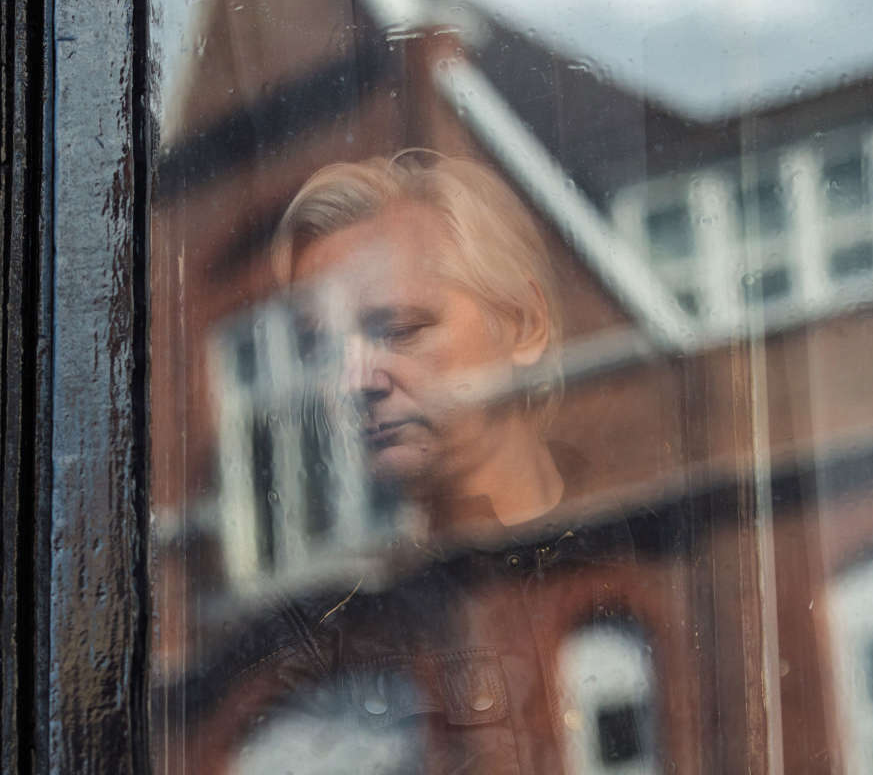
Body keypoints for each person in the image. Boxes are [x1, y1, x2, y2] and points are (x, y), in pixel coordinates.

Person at [188, 151, 647, 774]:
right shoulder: (348, 623)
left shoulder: (623, 555)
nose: (353, 381)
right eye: (321, 352)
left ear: (524, 324)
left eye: (400, 330)